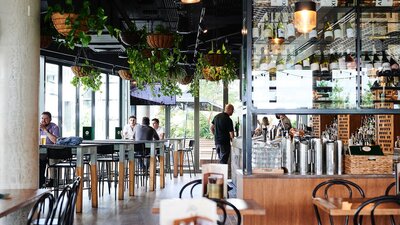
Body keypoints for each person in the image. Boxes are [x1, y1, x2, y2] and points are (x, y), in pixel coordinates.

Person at [39, 111, 60, 188]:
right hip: (41, 152)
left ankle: (51, 179)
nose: (43, 120)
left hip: (53, 152)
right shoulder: (38, 127)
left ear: (50, 119)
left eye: (46, 119)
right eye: (42, 118)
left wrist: (45, 130)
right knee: (38, 159)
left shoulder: (54, 127)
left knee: (43, 159)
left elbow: (55, 141)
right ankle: (40, 181)